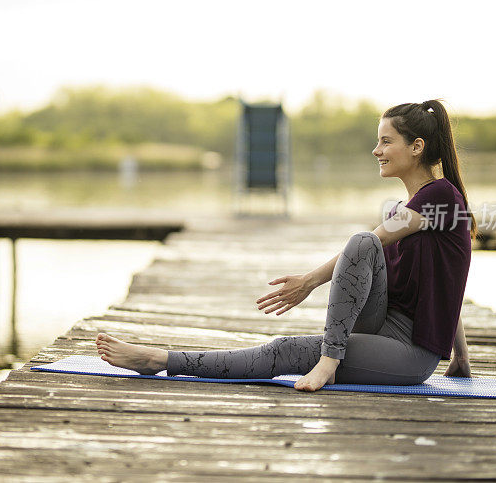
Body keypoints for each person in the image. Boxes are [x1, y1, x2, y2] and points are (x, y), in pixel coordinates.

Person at [96, 99, 476, 392]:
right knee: (362, 244)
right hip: (382, 325)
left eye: (385, 141)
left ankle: (158, 359)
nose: (376, 150)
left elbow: (427, 268)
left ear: (416, 147)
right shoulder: (405, 206)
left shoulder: (440, 197)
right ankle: (331, 353)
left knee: (287, 348)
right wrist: (460, 355)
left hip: (411, 353)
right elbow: (447, 278)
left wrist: (309, 282)